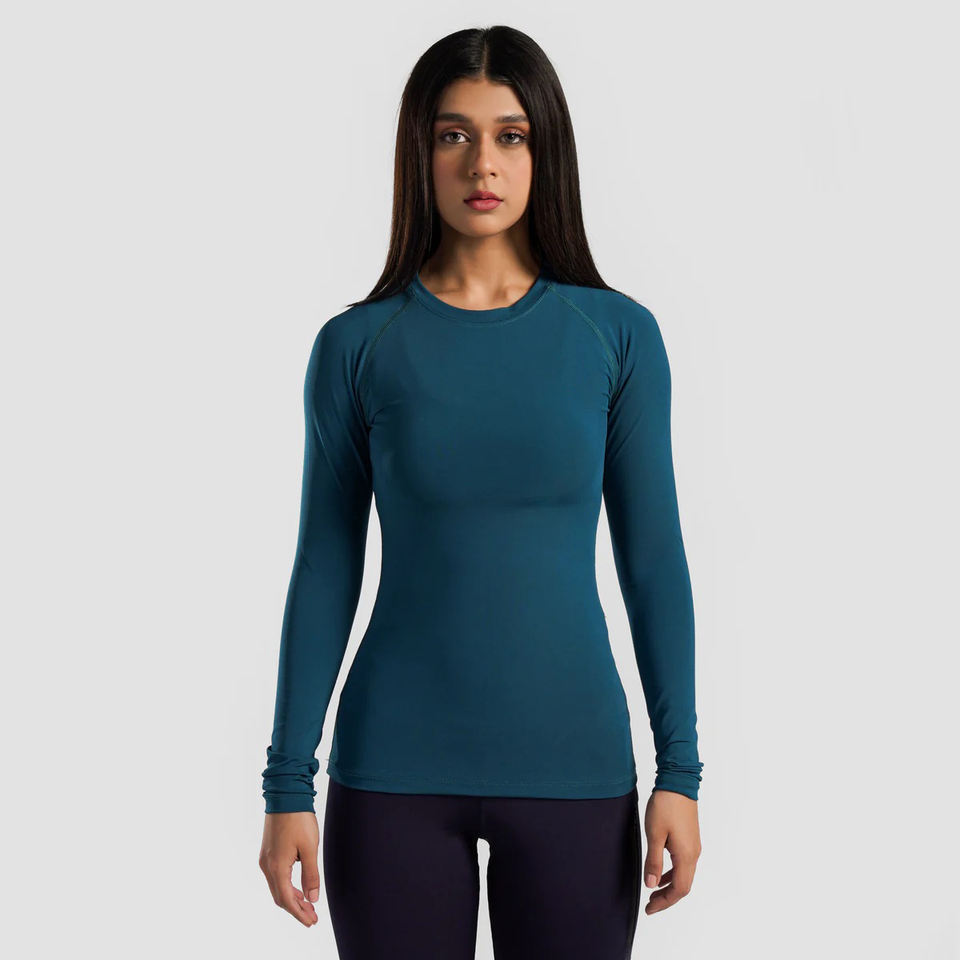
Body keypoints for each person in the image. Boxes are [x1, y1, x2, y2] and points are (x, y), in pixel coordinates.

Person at [258, 25, 704, 959]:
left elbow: (654, 561)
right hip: (392, 775)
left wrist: (681, 772)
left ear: (547, 152)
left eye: (511, 135)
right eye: (453, 135)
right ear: (419, 153)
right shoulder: (357, 346)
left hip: (575, 769)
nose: (482, 164)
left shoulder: (616, 336)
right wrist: (287, 783)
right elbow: (325, 566)